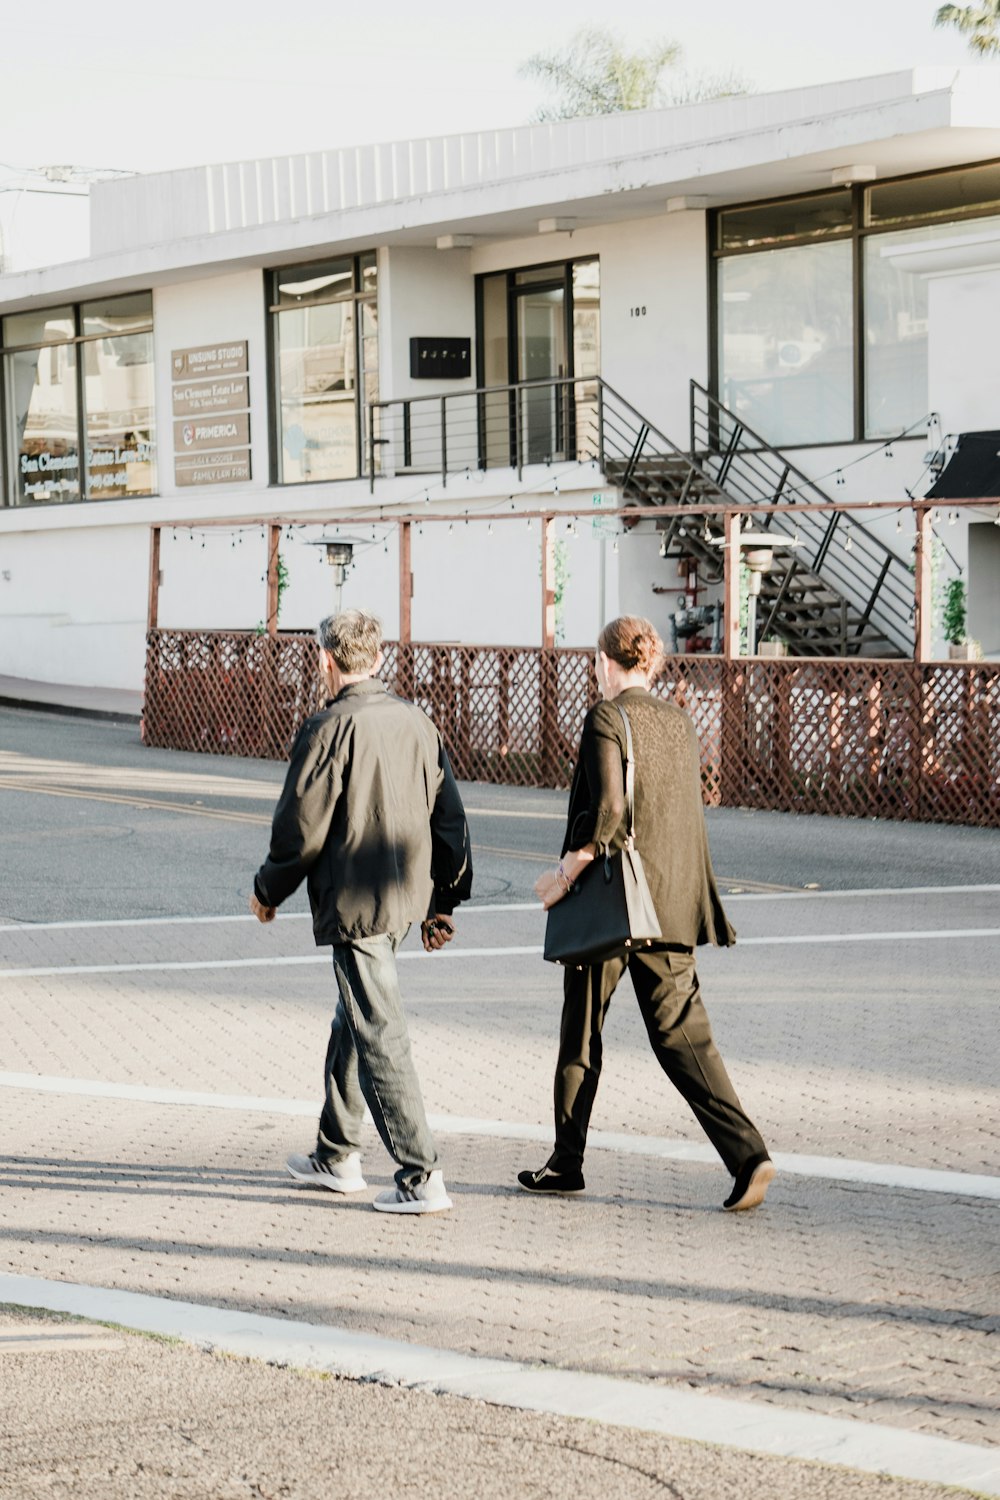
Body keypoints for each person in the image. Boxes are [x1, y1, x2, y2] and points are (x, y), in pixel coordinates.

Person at [520, 615, 774, 1212]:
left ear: (608, 663)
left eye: (597, 661)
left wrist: (565, 874)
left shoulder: (606, 716)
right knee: (683, 1035)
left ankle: (566, 1162)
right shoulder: (680, 721)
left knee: (582, 1032)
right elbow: (686, 814)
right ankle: (748, 1154)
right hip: (670, 900)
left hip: (611, 898)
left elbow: (608, 810)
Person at [250, 609, 472, 1215]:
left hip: (357, 902)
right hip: (404, 900)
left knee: (377, 1030)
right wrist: (442, 902)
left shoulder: (329, 727)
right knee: (356, 1017)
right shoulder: (418, 723)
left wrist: (268, 890)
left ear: (327, 660)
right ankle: (336, 1152)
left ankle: (421, 1174)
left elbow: (300, 828)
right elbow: (449, 819)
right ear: (377, 658)